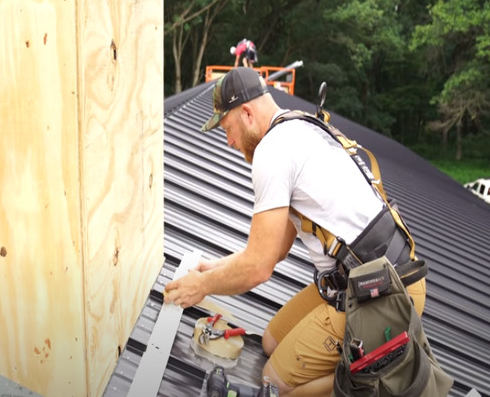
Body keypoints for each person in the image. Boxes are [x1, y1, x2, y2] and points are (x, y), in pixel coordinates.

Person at [163, 68, 427, 396]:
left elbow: (258, 268)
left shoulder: (272, 152)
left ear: (246, 113)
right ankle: (360, 357)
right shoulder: (297, 124)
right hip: (361, 278)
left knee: (274, 382)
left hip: (384, 295)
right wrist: (210, 269)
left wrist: (202, 287)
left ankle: (380, 378)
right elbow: (275, 251)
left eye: (227, 128)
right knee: (272, 341)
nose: (229, 142)